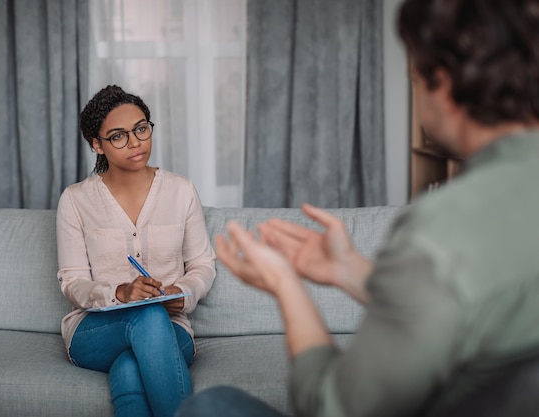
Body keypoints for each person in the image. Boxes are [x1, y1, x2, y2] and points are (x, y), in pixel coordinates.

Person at [176, 0, 539, 416]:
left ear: (443, 85)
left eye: (415, 80)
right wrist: (351, 271)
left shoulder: (439, 229)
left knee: (210, 406)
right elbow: (464, 311)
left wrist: (286, 285)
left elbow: (334, 406)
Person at [56, 85, 216, 417]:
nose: (135, 142)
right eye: (118, 136)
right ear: (96, 144)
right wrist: (120, 292)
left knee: (130, 367)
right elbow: (73, 283)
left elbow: (203, 264)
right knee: (146, 313)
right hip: (95, 330)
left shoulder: (181, 191)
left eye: (141, 128)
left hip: (173, 328)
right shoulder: (75, 200)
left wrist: (182, 292)